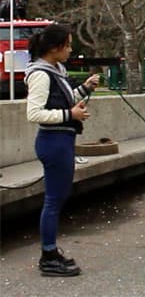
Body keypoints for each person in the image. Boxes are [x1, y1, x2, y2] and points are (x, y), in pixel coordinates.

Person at [24, 24, 99, 277]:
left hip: (62, 141)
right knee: (54, 201)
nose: (70, 49)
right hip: (53, 142)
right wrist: (71, 114)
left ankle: (51, 251)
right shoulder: (41, 74)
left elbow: (65, 99)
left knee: (57, 198)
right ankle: (48, 256)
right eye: (67, 45)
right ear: (55, 49)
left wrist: (85, 89)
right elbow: (34, 113)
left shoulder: (56, 70)